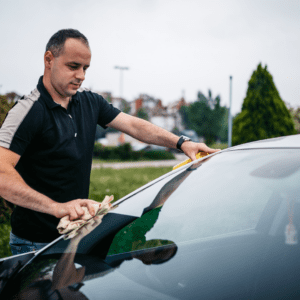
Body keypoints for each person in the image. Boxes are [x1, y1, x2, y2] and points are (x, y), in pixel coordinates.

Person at [0, 29, 220, 255]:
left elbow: (134, 125)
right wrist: (56, 208)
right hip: (35, 244)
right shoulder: (28, 111)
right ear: (49, 60)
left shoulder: (89, 101)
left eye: (85, 68)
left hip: (76, 236)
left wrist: (182, 142)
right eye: (73, 66)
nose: (81, 75)